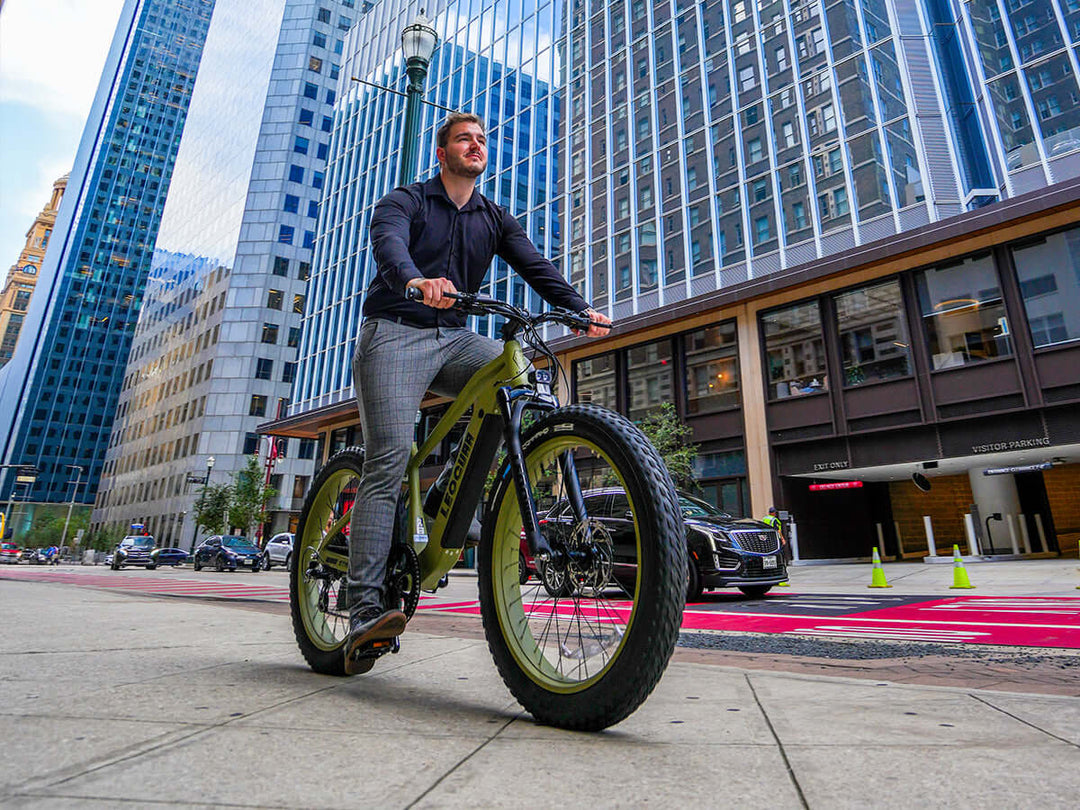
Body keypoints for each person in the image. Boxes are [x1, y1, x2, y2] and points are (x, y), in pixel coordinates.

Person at [344, 112, 611, 672]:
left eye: (482, 140)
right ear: (442, 152)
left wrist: (578, 309)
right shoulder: (407, 200)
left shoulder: (494, 218)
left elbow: (535, 265)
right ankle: (364, 607)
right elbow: (389, 247)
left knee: (517, 378)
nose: (476, 145)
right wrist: (416, 280)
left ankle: (448, 491)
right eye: (465, 138)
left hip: (456, 338)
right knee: (388, 460)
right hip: (394, 332)